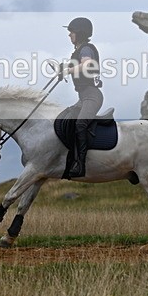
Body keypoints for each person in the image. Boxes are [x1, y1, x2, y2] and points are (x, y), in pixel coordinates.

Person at [61, 17, 103, 179]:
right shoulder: (78, 51)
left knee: (80, 124)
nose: (69, 35)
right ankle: (69, 159)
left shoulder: (86, 49)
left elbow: (86, 65)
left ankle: (81, 165)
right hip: (83, 97)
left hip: (92, 96)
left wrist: (67, 70)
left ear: (80, 33)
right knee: (66, 119)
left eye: (71, 32)